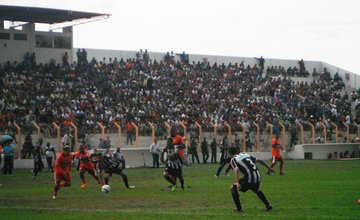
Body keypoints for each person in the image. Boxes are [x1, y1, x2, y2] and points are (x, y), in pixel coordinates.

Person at [229, 147, 273, 212]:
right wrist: (269, 168)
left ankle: (239, 209)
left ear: (230, 154)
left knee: (233, 188)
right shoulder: (245, 154)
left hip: (250, 177)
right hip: (257, 175)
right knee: (255, 189)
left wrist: (237, 183)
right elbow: (259, 161)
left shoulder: (233, 159)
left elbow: (236, 169)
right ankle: (268, 205)